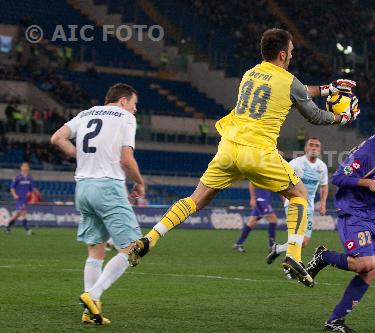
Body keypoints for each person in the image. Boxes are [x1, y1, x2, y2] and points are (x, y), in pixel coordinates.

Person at [128, 28, 359, 288]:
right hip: (259, 152)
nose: (292, 57)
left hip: (228, 147)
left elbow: (295, 91)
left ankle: (151, 237)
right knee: (299, 195)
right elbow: (314, 115)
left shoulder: (250, 74)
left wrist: (327, 89)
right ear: (283, 54)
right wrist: (343, 117)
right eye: (291, 53)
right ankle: (293, 254)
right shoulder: (288, 80)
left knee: (195, 199)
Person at [50, 83, 146, 325]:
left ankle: (89, 311)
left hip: (83, 187)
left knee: (96, 250)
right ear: (123, 101)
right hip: (108, 187)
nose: (135, 110)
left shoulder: (85, 114)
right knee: (133, 248)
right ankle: (93, 295)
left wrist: (77, 154)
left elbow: (57, 138)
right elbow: (126, 159)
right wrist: (139, 184)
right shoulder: (125, 117)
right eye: (134, 104)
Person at [304, 122, 375, 332]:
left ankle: (335, 320)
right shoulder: (364, 155)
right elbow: (338, 178)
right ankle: (323, 257)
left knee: (372, 269)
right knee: (364, 263)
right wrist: (366, 183)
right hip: (355, 212)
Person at [267, 137, 328, 267]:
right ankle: (288, 268)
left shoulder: (322, 167)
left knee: (304, 242)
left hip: (309, 207)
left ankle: (278, 249)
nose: (314, 148)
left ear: (320, 149)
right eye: (311, 145)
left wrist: (323, 204)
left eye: (317, 146)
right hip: (294, 204)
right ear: (305, 148)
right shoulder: (296, 163)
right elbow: (282, 180)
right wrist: (285, 199)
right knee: (296, 238)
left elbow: (324, 186)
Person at [233, 184, 278, 253]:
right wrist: (253, 198)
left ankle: (238, 244)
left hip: (264, 199)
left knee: (251, 222)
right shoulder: (261, 173)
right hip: (261, 200)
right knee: (273, 220)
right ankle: (272, 246)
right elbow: (251, 183)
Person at [4, 162, 33, 235]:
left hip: (25, 199)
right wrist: (14, 195)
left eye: (27, 166)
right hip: (19, 198)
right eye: (24, 166)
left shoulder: (30, 178)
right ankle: (27, 230)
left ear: (28, 168)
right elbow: (12, 188)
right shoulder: (17, 177)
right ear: (21, 168)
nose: (25, 167)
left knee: (17, 214)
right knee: (23, 212)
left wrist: (30, 194)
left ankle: (7, 227)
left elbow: (31, 189)